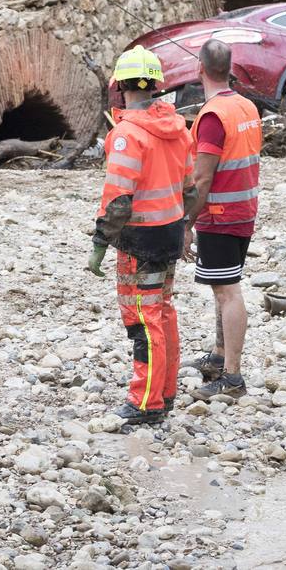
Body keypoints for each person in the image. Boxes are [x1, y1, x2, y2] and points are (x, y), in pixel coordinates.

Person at [89, 45, 196, 426]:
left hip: (139, 239)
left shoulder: (126, 135)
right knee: (164, 310)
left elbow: (118, 197)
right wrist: (186, 229)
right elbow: (190, 187)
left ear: (120, 86)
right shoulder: (178, 128)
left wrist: (100, 241)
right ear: (155, 85)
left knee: (143, 317)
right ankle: (165, 392)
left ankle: (145, 401)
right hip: (169, 232)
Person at [183, 38, 262, 400]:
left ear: (199, 69)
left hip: (220, 215)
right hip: (244, 210)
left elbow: (202, 178)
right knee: (222, 287)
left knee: (227, 292)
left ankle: (232, 378)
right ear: (229, 69)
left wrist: (185, 224)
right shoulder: (246, 106)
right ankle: (217, 358)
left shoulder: (213, 117)